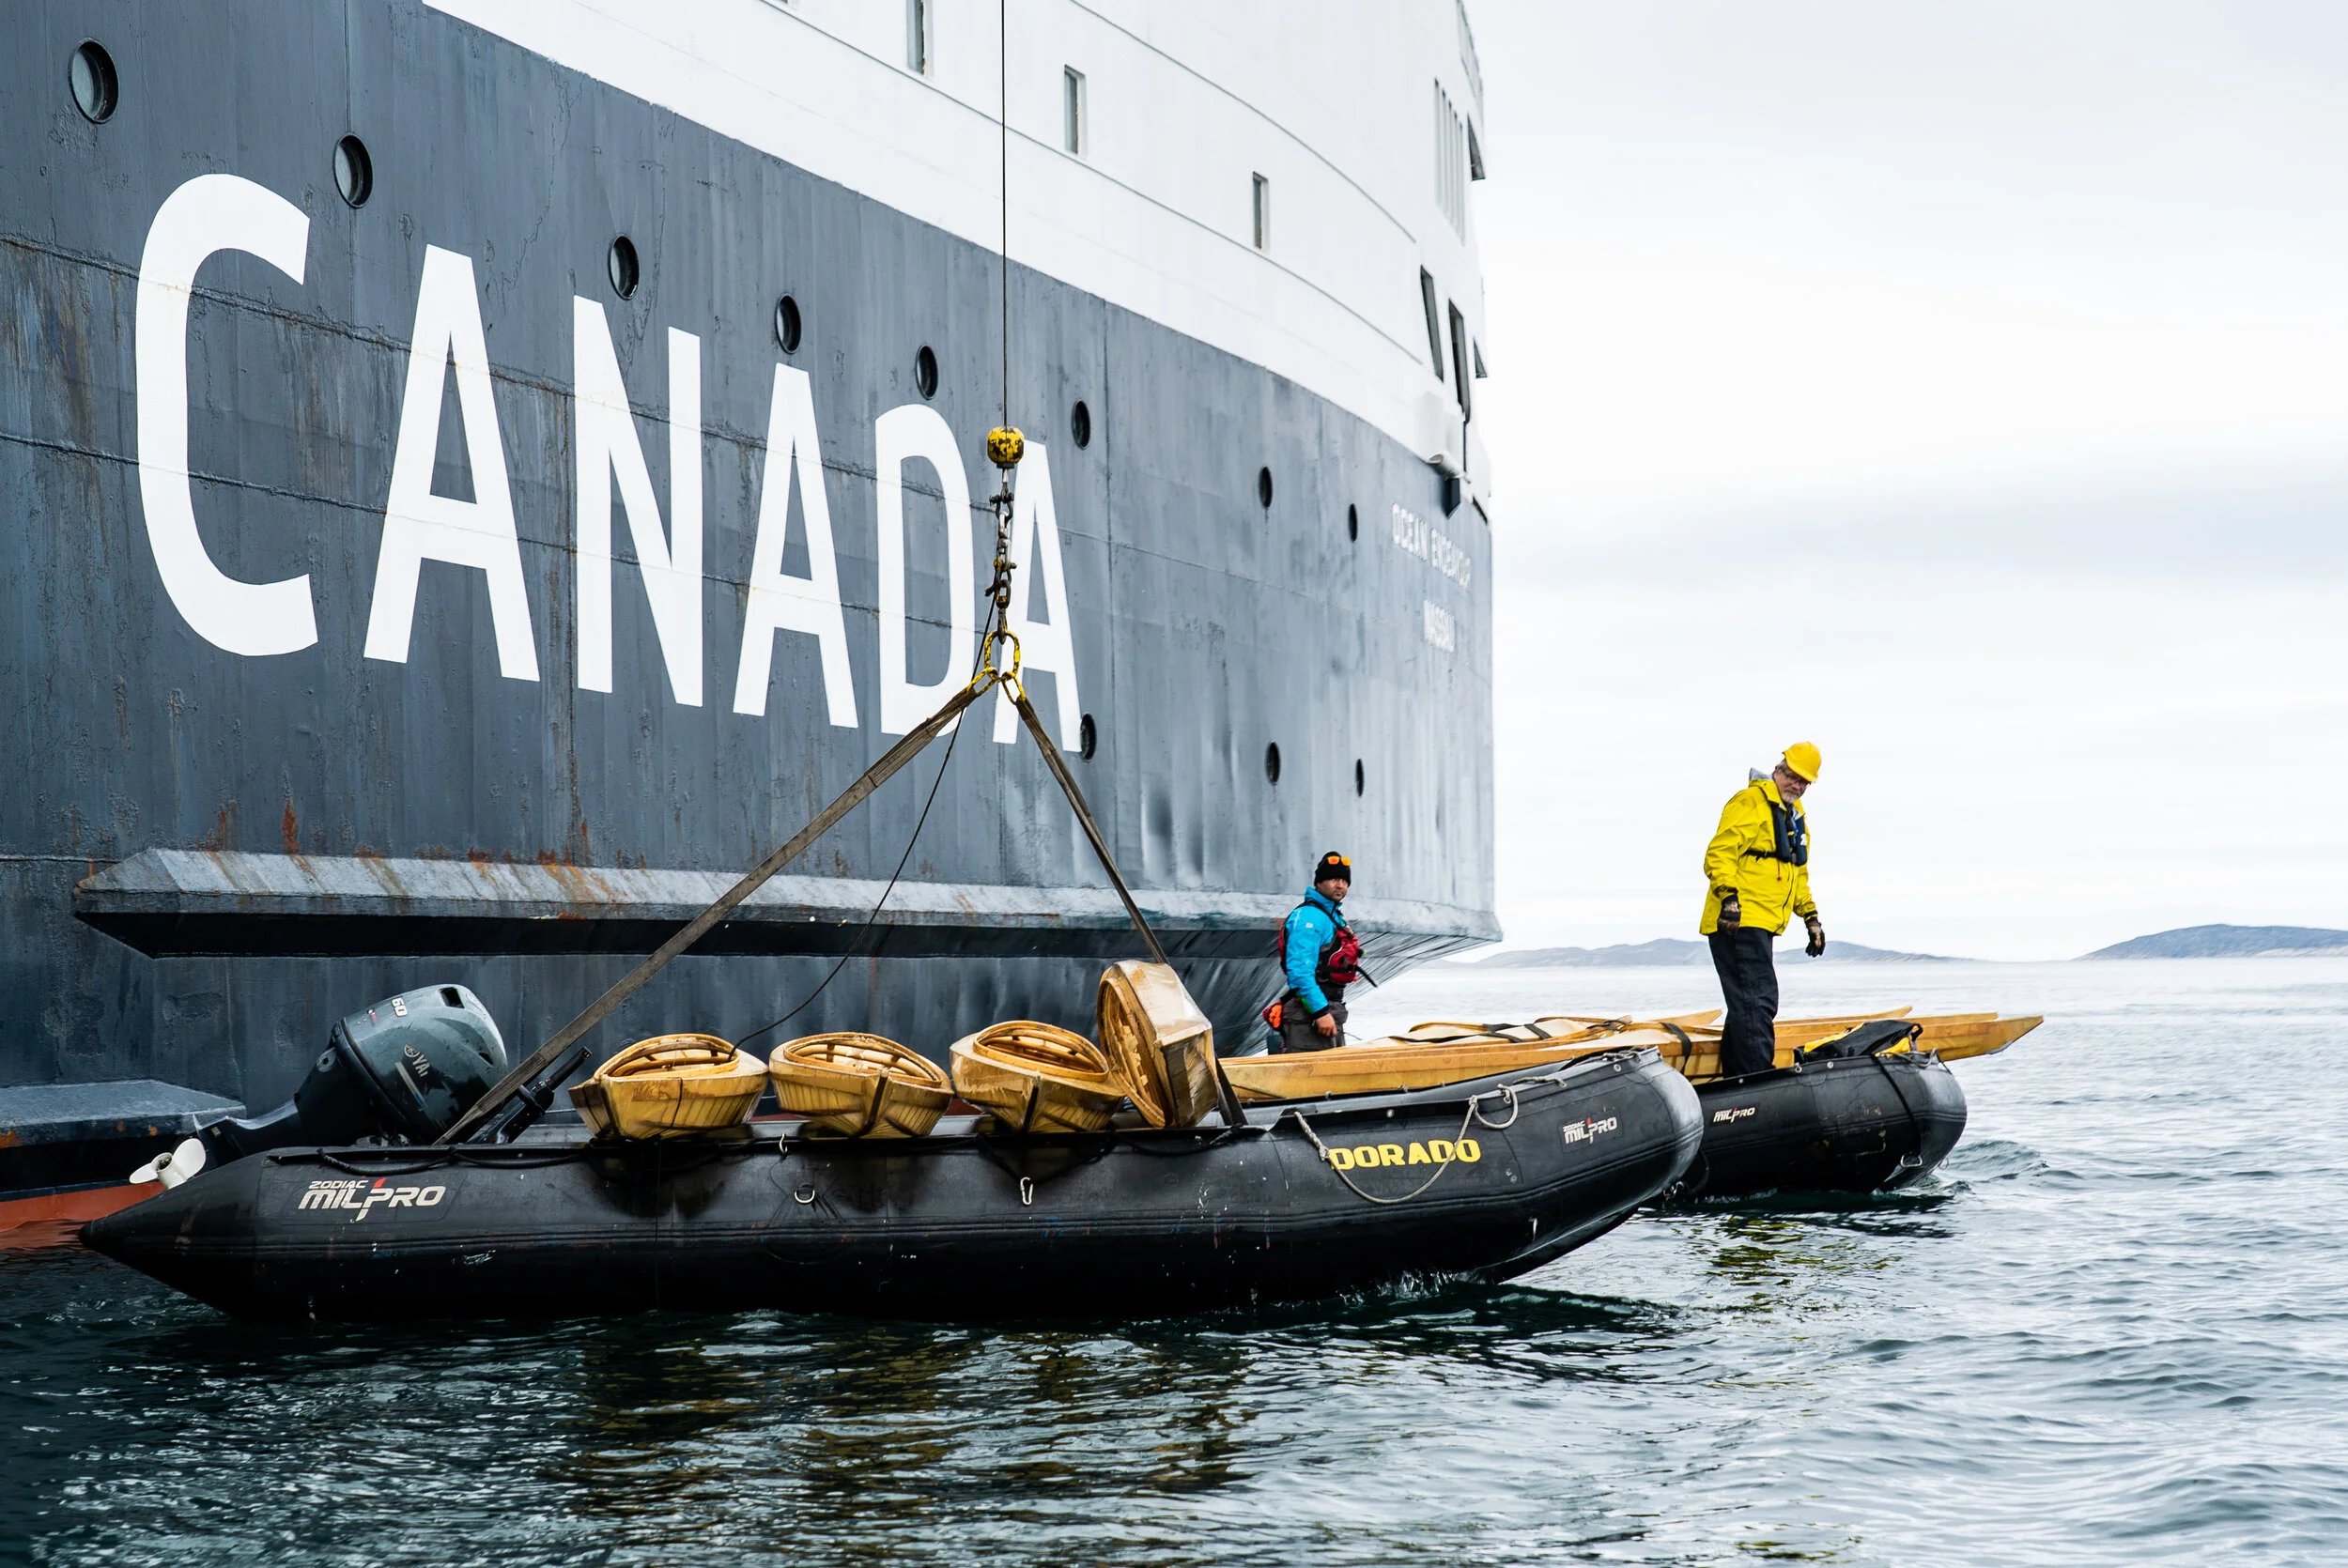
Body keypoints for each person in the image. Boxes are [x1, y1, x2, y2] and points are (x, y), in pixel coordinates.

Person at [1700, 744, 1825, 1078]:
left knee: (1747, 1004)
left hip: (1763, 923)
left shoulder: (1795, 819)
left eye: (1804, 783)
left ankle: (1735, 1080)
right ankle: (1757, 1079)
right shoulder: (1749, 802)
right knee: (1758, 1001)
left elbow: (1798, 875)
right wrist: (1729, 898)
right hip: (1738, 920)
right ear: (1779, 770)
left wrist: (1811, 918)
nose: (1796, 786)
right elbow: (1719, 854)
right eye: (1793, 777)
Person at [1270, 851, 1363, 1054]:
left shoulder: (1331, 916)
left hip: (1331, 1009)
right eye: (1333, 879)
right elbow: (1300, 972)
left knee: (1334, 1078)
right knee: (1308, 1080)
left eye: (1344, 881)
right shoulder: (1309, 919)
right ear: (1319, 883)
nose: (1340, 885)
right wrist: (1320, 1012)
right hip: (1310, 1016)